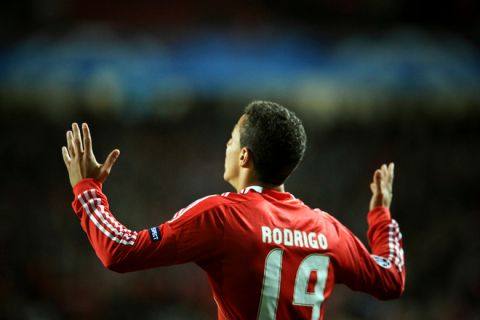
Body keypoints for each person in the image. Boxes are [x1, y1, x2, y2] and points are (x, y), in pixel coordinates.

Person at [62, 100, 405, 320]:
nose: (226, 146)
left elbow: (120, 252)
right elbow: (391, 279)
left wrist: (86, 189)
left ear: (244, 156)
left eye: (231, 139)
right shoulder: (328, 229)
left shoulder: (222, 217)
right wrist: (380, 218)